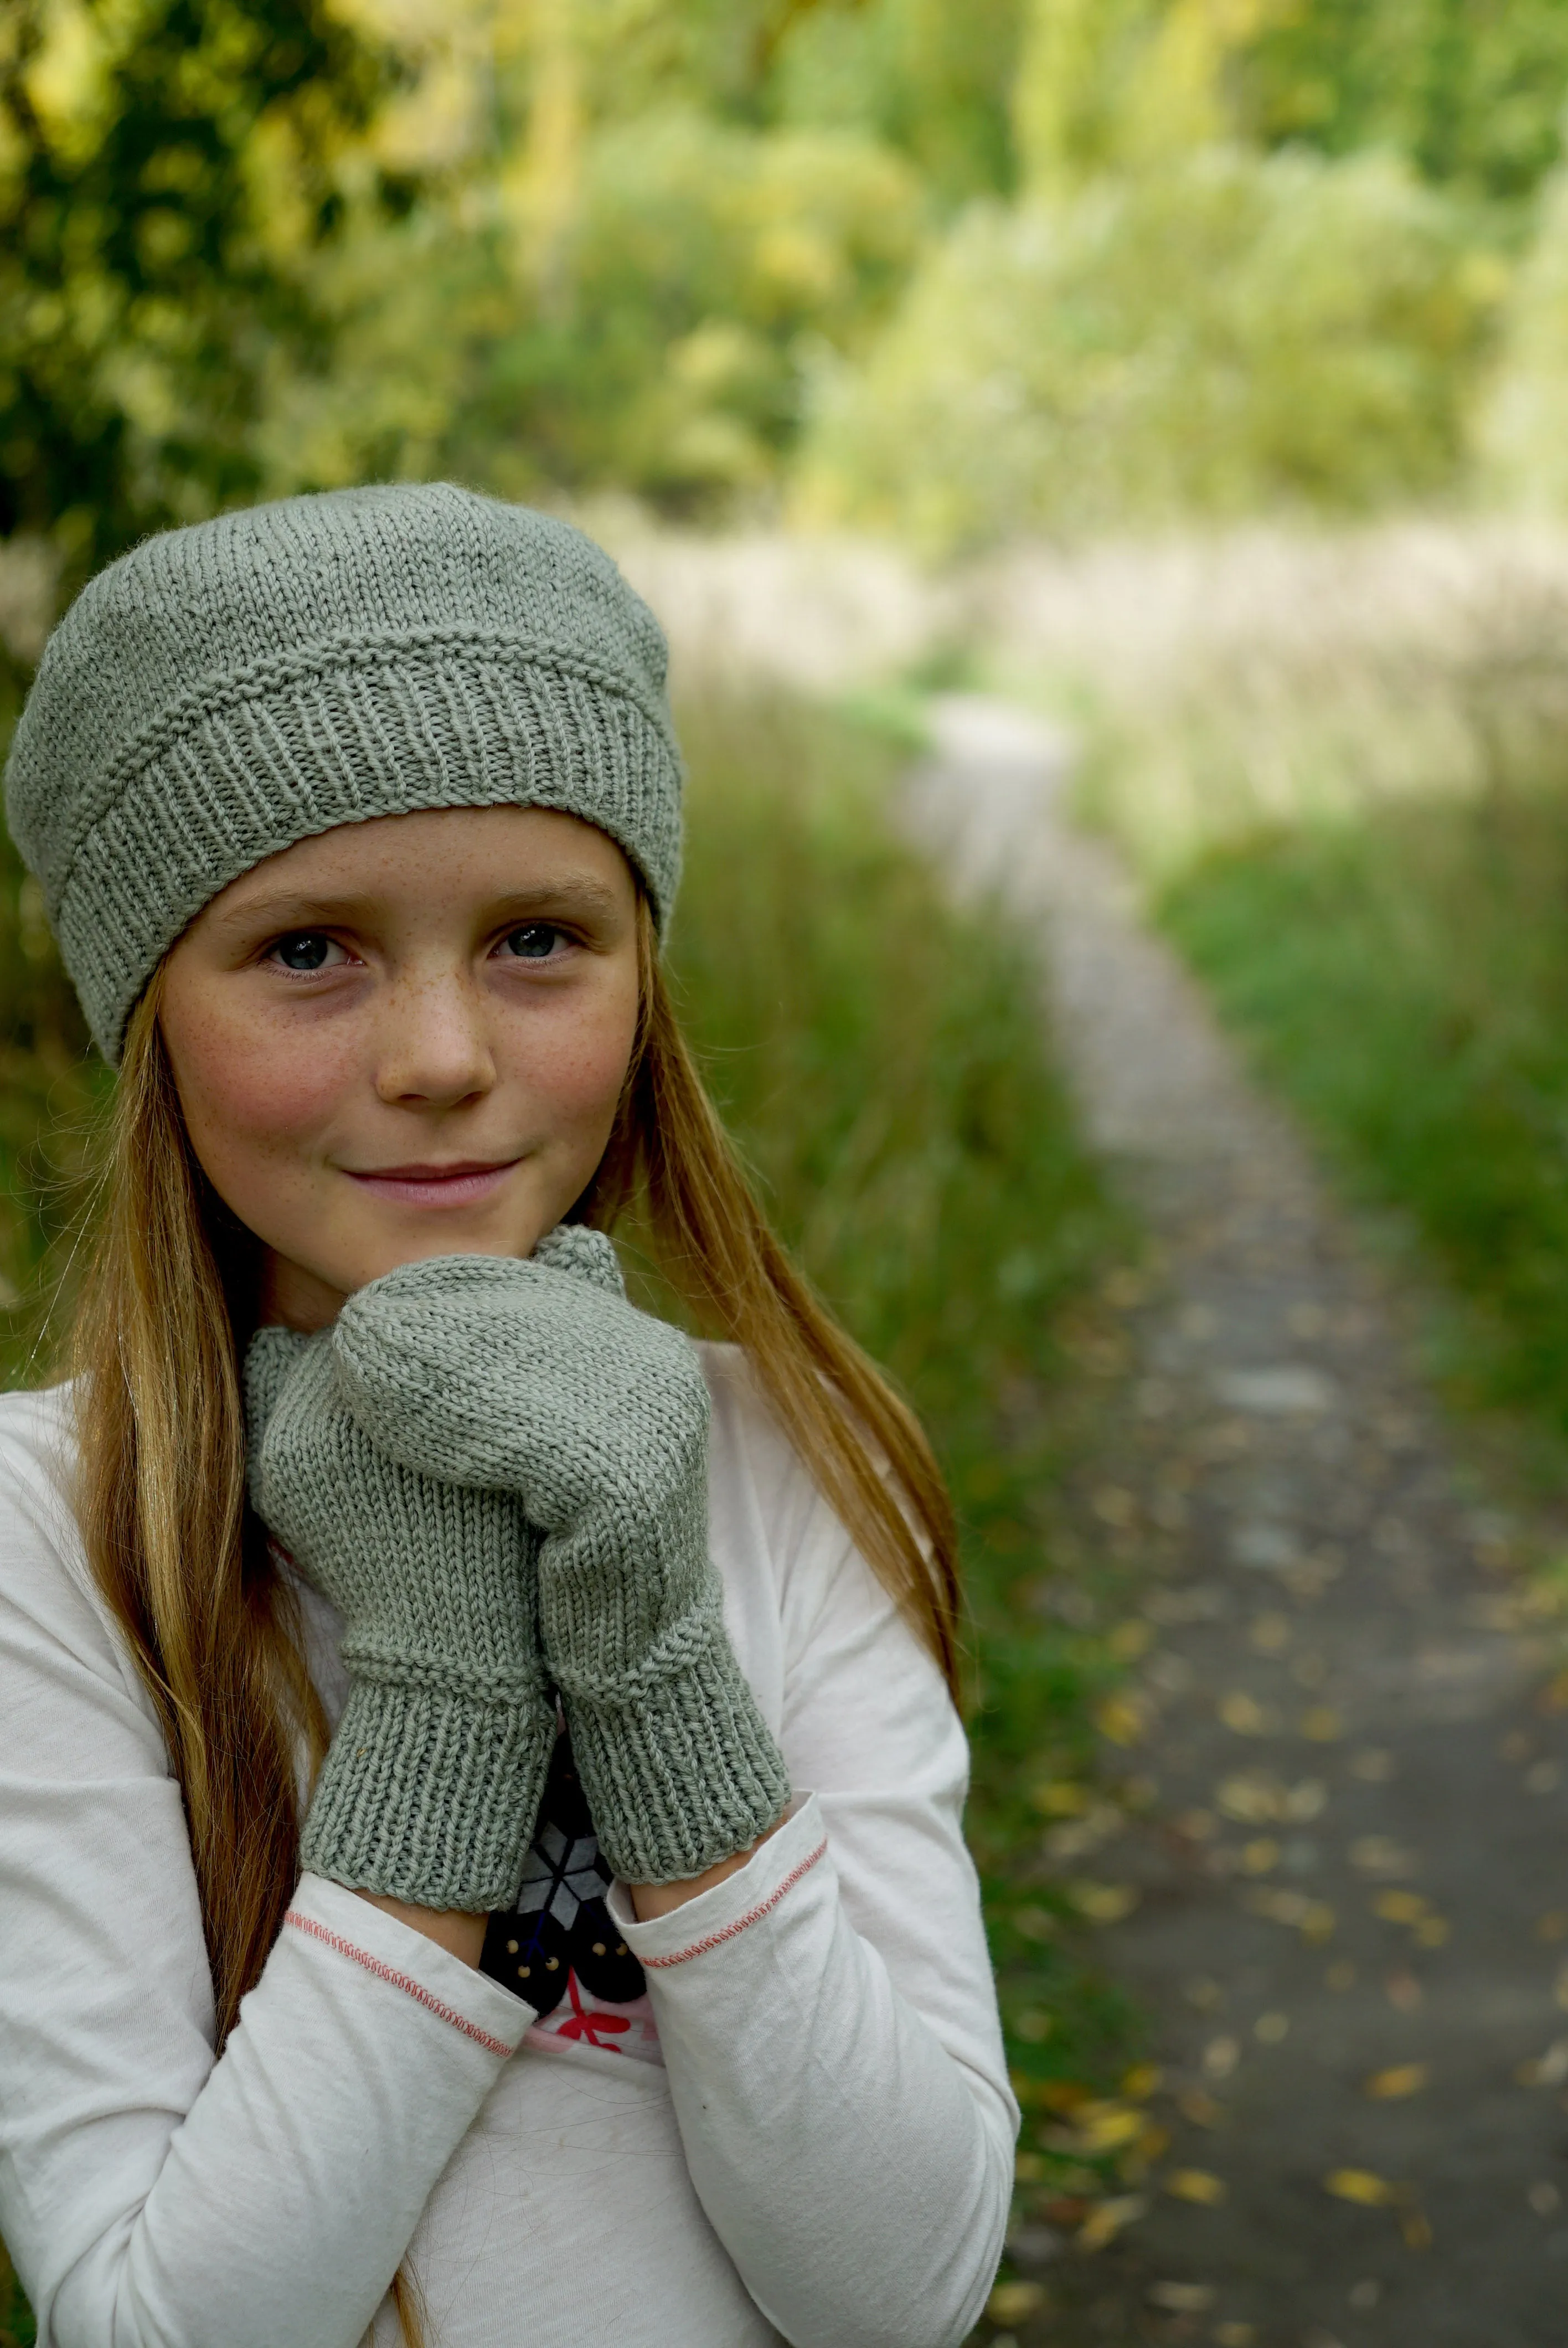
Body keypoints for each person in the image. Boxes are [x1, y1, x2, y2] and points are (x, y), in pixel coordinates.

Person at [0, 485, 1015, 2348]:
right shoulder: (45, 1536)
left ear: (645, 975)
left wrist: (644, 1642)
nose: (444, 1059)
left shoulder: (791, 1464)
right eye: (310, 950)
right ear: (149, 1011)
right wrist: (459, 1684)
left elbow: (906, 2290)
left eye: (539, 939)